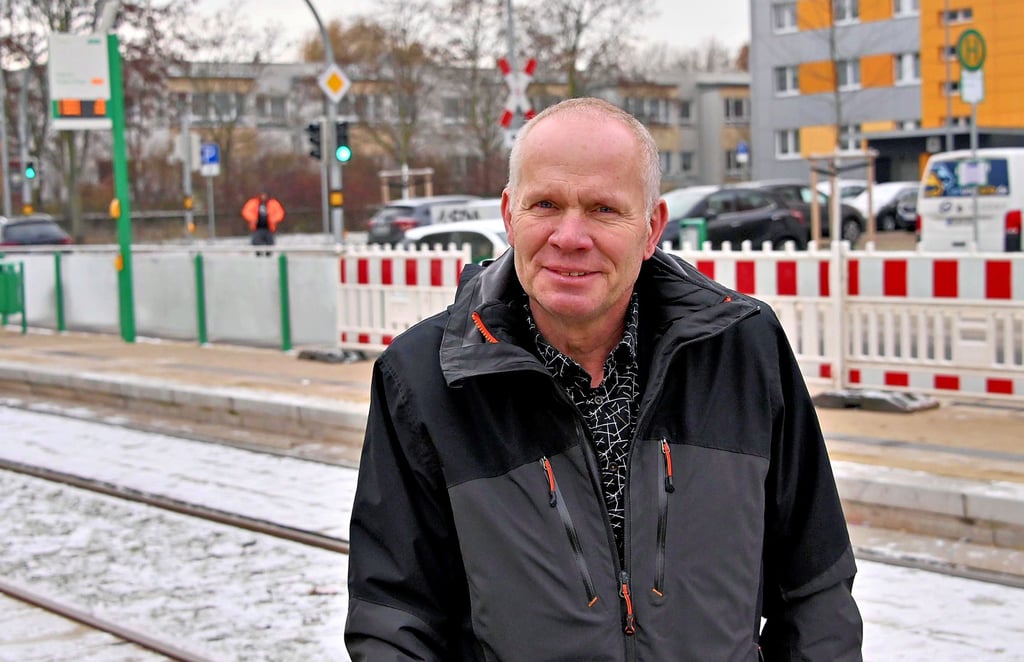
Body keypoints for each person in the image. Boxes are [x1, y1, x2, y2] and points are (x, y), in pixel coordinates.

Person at [345, 98, 863, 661]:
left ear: (651, 228)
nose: (570, 236)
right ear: (510, 215)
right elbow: (395, 622)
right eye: (545, 204)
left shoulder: (742, 349)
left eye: (603, 209)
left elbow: (815, 590)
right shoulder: (426, 377)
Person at [240, 191, 284, 255]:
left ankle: (268, 258)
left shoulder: (273, 203)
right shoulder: (253, 202)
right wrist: (253, 219)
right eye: (262, 195)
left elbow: (280, 213)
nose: (264, 197)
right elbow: (246, 211)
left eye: (265, 195)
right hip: (257, 229)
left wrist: (273, 220)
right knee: (257, 246)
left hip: (269, 229)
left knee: (270, 247)